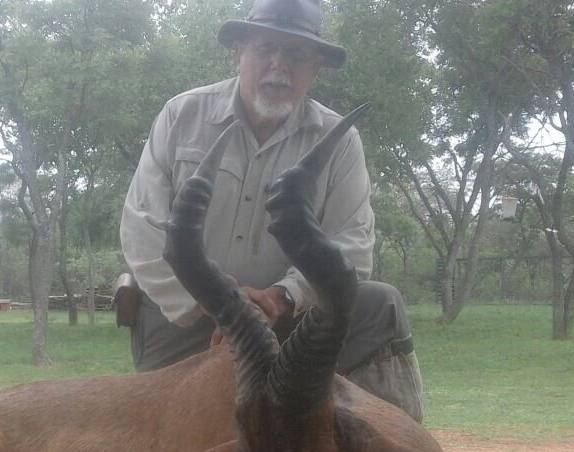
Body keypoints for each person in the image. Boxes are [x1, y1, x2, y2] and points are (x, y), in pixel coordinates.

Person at [119, 0, 425, 422]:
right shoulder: (180, 115)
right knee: (160, 444)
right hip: (187, 321)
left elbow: (352, 248)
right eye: (266, 48)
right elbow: (142, 230)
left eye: (296, 53)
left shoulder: (341, 141)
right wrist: (220, 307)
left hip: (287, 321)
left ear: (316, 65)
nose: (278, 65)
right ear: (240, 50)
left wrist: (282, 298)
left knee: (381, 304)